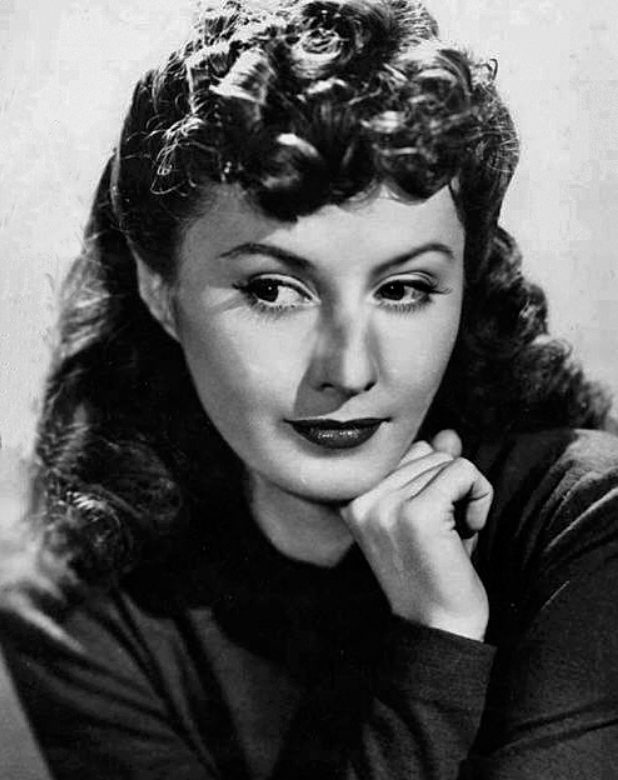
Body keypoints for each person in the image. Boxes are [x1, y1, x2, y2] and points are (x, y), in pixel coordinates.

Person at [2, 0, 618, 777]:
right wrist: (438, 632)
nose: (349, 371)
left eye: (403, 290)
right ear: (161, 293)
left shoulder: (586, 518)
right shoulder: (81, 607)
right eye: (272, 290)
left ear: (466, 287)